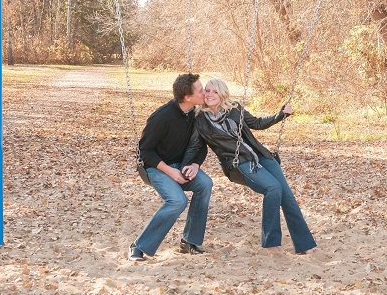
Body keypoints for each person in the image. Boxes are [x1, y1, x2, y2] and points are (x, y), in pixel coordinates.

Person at [183, 77, 316, 255]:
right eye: (207, 90)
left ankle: (304, 244)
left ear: (222, 94)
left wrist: (281, 114)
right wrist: (186, 165)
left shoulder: (235, 109)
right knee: (273, 188)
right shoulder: (200, 120)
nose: (210, 94)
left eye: (215, 91)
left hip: (261, 157)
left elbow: (257, 123)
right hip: (239, 163)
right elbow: (195, 146)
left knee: (286, 195)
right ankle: (271, 243)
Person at [128, 73, 213, 262]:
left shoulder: (195, 114)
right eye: (200, 90)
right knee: (177, 201)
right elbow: (145, 152)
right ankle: (139, 246)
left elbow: (200, 146)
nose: (204, 92)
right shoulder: (162, 117)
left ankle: (189, 241)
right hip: (155, 167)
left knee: (205, 183)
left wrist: (195, 165)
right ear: (187, 97)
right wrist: (170, 171)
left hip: (181, 166)